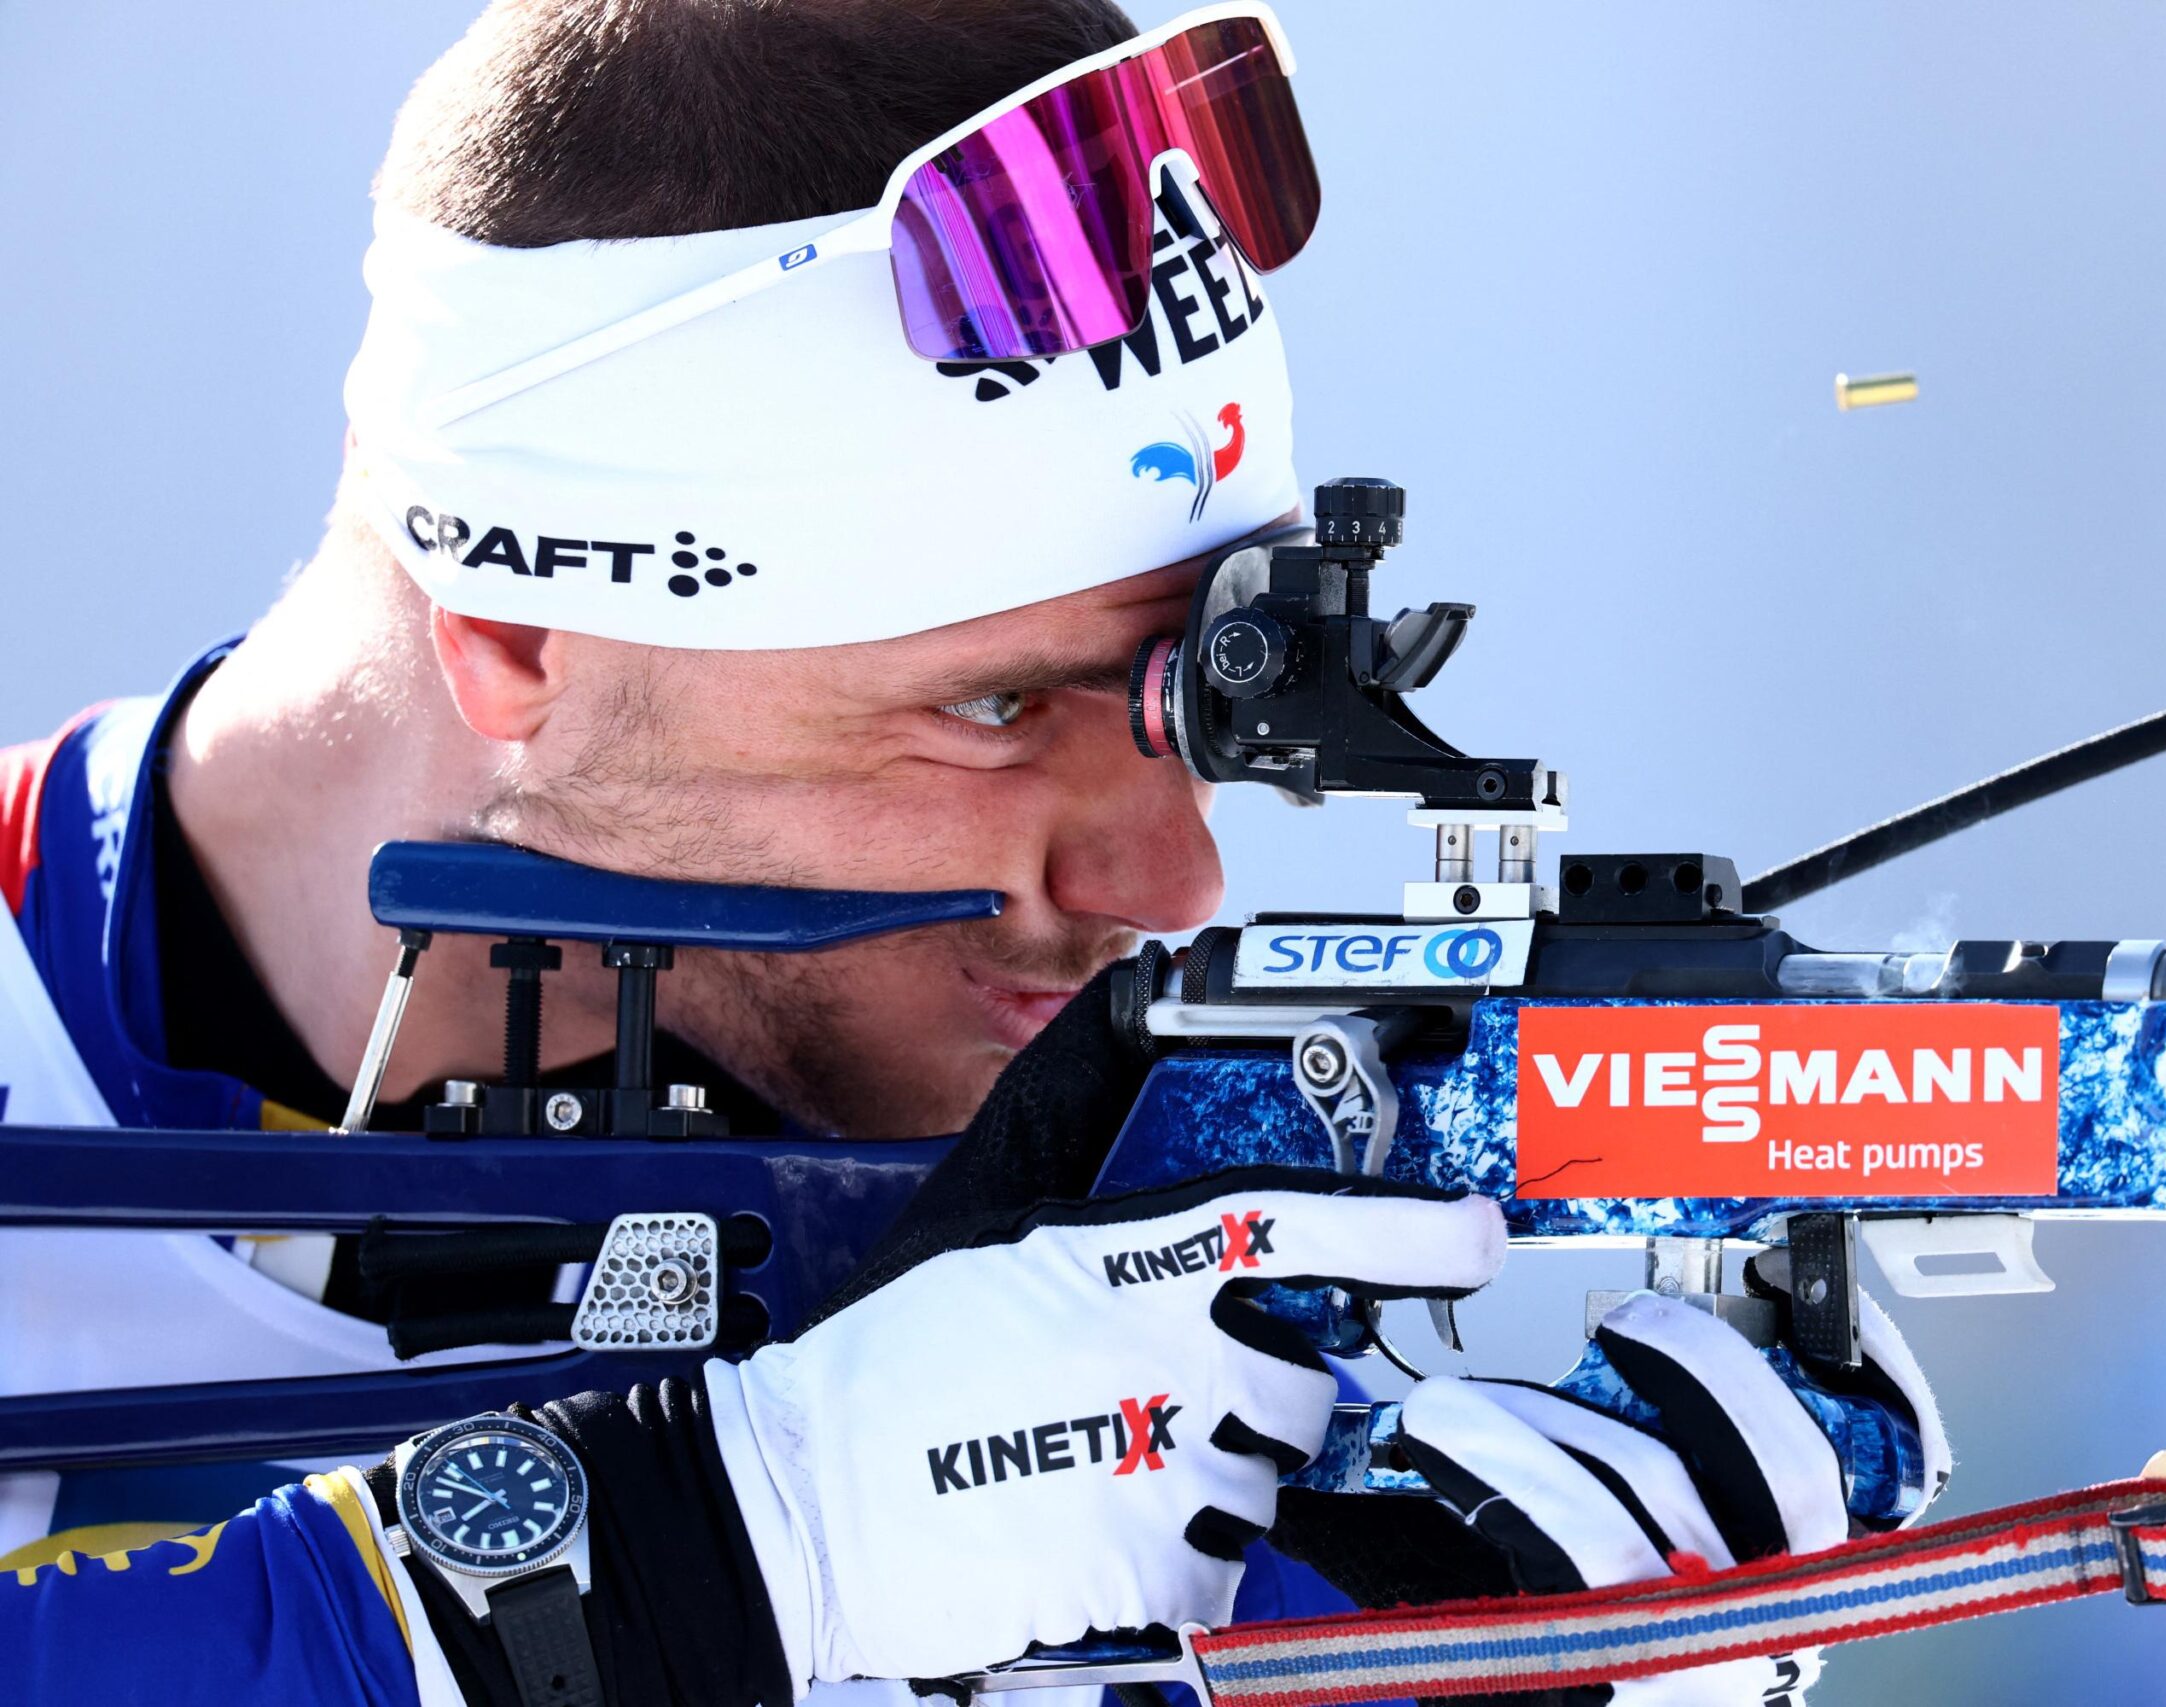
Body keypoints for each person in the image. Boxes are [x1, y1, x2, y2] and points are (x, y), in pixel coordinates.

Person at [0, 3, 1949, 1703]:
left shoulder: (1061, 1249)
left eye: (1191, 706)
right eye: (998, 707)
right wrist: (696, 1555)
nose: (1169, 877)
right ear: (517, 634)